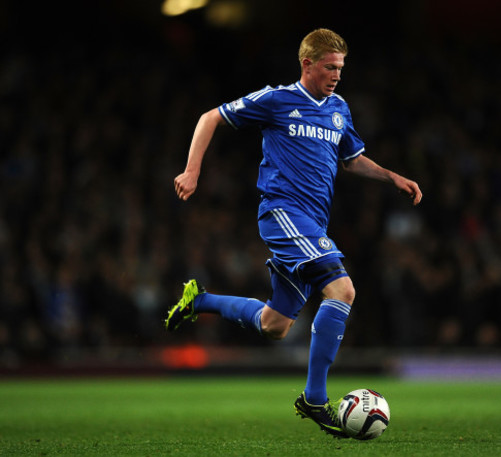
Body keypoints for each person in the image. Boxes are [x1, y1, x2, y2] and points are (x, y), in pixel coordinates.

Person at [166, 28, 422, 438]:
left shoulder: (339, 108)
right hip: (282, 212)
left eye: (340, 68)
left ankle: (201, 300)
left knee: (274, 324)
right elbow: (210, 117)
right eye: (329, 67)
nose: (337, 75)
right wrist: (192, 169)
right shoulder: (278, 99)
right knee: (343, 290)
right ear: (307, 64)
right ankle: (315, 399)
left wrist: (392, 177)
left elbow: (351, 160)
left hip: (312, 224)